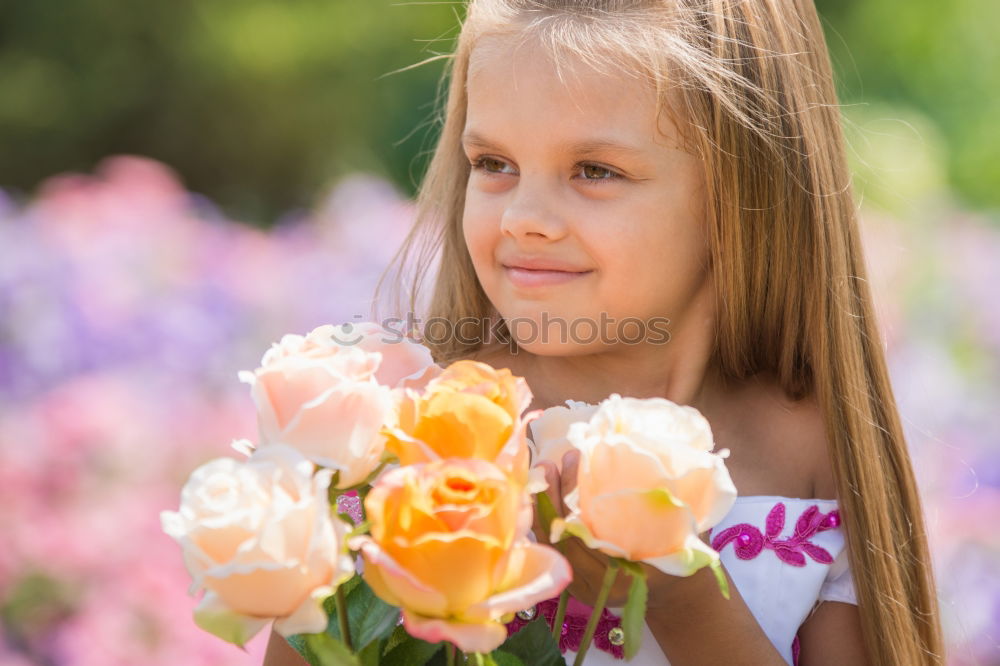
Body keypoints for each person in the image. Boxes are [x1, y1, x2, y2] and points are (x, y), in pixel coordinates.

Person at [266, 0, 943, 664]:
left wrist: (682, 605)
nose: (524, 218)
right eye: (493, 164)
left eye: (595, 171)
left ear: (741, 191)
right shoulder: (418, 433)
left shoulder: (807, 447)